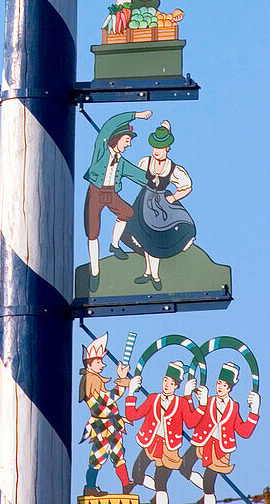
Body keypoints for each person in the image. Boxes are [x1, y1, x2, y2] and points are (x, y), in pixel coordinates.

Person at [121, 121, 195, 291]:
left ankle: (155, 275)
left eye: (160, 148)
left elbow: (186, 186)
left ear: (167, 148)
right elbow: (136, 175)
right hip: (143, 202)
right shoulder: (145, 162)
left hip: (161, 205)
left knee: (155, 237)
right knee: (144, 236)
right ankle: (148, 272)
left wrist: (173, 198)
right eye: (155, 148)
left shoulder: (173, 168)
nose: (157, 152)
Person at [83, 110, 152, 292]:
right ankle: (95, 271)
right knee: (93, 232)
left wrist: (156, 182)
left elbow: (135, 174)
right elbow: (109, 124)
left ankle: (114, 245)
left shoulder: (120, 161)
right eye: (127, 140)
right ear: (117, 138)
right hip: (95, 192)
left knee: (127, 212)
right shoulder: (101, 150)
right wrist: (136, 115)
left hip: (110, 192)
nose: (128, 145)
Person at [125, 361, 207, 504]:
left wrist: (202, 404)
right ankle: (158, 496)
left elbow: (191, 422)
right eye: (165, 380)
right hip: (151, 443)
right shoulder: (153, 398)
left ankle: (162, 497)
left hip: (169, 449)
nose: (166, 385)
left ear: (176, 386)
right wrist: (131, 392)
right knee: (137, 474)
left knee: (161, 483)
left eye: (171, 383)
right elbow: (132, 415)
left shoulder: (180, 403)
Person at [179, 363, 260, 504]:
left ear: (229, 388)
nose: (219, 387)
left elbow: (244, 431)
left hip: (220, 450)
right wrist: (188, 396)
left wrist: (254, 410)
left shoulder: (233, 407)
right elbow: (192, 419)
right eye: (218, 383)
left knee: (209, 486)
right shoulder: (208, 401)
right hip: (203, 442)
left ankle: (208, 496)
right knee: (183, 466)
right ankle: (206, 494)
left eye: (223, 385)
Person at [79, 333, 131, 497]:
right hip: (102, 427)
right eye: (99, 361)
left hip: (111, 425)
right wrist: (122, 380)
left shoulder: (96, 380)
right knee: (98, 457)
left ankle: (126, 484)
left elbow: (109, 406)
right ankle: (90, 487)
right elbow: (108, 400)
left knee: (117, 455)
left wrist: (119, 418)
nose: (102, 365)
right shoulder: (91, 381)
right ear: (90, 364)